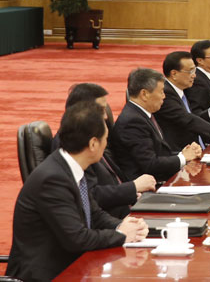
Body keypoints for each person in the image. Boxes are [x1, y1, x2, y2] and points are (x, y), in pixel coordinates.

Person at [8, 102, 149, 281]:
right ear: (93, 144)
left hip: (73, 264)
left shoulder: (70, 168)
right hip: (47, 274)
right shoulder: (52, 179)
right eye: (106, 139)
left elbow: (95, 215)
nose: (107, 145)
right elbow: (77, 238)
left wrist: (123, 226)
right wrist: (120, 235)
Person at [60, 83, 157, 218]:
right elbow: (90, 195)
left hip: (124, 208)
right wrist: (133, 187)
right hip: (113, 216)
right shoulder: (71, 144)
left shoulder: (93, 135)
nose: (106, 116)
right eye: (102, 110)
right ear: (82, 110)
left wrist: (132, 192)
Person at [112, 67, 203, 181]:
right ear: (144, 94)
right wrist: (183, 158)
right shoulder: (132, 122)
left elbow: (158, 153)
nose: (164, 96)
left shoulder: (142, 114)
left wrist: (185, 153)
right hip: (148, 188)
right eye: (161, 92)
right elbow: (150, 164)